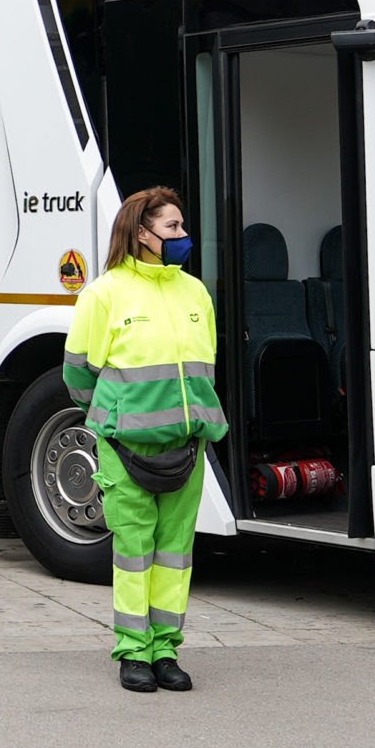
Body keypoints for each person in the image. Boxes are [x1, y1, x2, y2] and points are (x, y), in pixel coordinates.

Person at [62, 186, 229, 693]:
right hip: (125, 447)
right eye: (173, 227)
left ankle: (165, 651)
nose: (183, 236)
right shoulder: (103, 294)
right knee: (135, 551)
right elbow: (78, 376)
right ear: (142, 233)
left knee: (174, 552)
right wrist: (118, 417)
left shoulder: (194, 293)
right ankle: (133, 652)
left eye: (181, 226)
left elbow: (202, 372)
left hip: (186, 446)